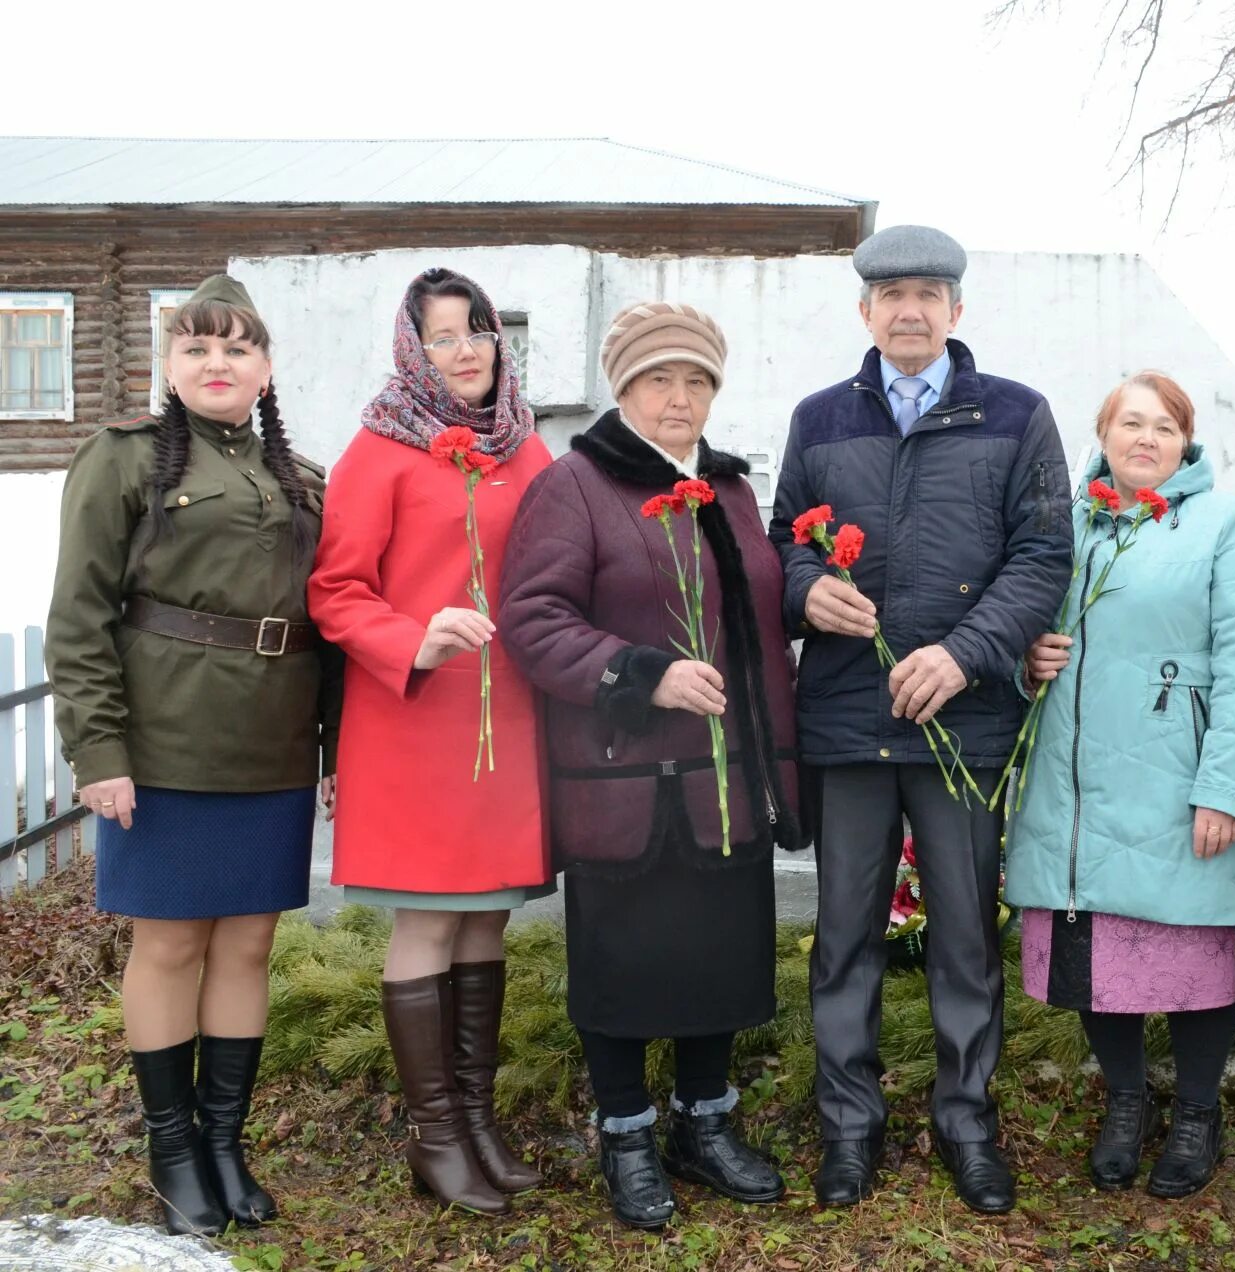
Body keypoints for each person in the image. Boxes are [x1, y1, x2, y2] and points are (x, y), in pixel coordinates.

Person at [770, 225, 1072, 1213]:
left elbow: (1042, 559)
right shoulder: (819, 420)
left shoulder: (1018, 417)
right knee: (846, 936)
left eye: (929, 293)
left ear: (957, 310)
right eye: (891, 292)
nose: (910, 308)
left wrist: (964, 653)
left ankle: (967, 1124)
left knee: (964, 941)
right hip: (851, 724)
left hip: (965, 726)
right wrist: (808, 591)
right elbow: (783, 544)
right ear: (864, 311)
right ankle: (848, 1130)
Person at [499, 302, 805, 1230]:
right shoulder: (579, 484)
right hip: (626, 780)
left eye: (697, 380)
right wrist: (645, 674)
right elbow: (535, 619)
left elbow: (755, 610)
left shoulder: (731, 490)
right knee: (624, 966)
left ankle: (704, 1127)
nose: (680, 398)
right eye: (658, 379)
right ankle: (626, 1134)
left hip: (726, 781)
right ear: (622, 388)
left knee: (718, 958)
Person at [45, 274, 336, 1236]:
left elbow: (327, 624)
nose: (219, 363)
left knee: (249, 942)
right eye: (198, 347)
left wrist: (331, 748)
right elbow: (80, 618)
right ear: (169, 366)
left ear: (265, 366)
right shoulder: (120, 460)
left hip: (274, 742)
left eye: (238, 347)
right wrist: (98, 750)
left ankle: (223, 1143)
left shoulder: (302, 480)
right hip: (162, 741)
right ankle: (172, 1148)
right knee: (170, 942)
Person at [307, 268, 551, 1215]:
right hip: (416, 718)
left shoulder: (527, 450)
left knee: (488, 917)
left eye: (478, 332)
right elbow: (335, 591)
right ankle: (436, 1138)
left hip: (511, 719)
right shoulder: (378, 450)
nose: (465, 352)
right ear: (414, 350)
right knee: (430, 922)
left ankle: (479, 1122)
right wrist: (414, 636)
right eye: (443, 336)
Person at [1004, 371, 1235, 1198]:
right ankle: (1126, 1100)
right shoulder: (1067, 522)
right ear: (1105, 431)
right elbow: (1023, 616)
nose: (1146, 439)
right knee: (1094, 948)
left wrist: (1225, 788)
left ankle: (1197, 1110)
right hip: (1075, 772)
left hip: (1174, 771)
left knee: (1190, 947)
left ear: (1186, 440)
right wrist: (1026, 660)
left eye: (1165, 426)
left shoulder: (1225, 523)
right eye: (1131, 423)